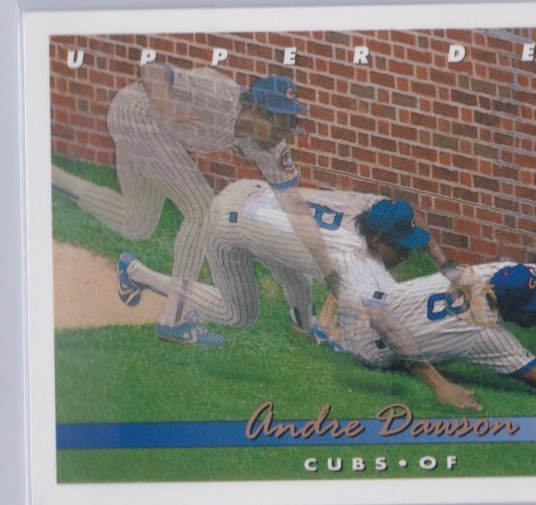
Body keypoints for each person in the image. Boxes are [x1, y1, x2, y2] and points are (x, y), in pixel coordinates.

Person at [52, 64, 336, 346]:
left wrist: (329, 272)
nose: (281, 134)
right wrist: (168, 107)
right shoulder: (219, 94)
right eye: (278, 124)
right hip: (136, 112)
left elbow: (296, 210)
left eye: (288, 125)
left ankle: (53, 178)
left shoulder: (268, 145)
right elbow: (153, 70)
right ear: (255, 110)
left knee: (135, 222)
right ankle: (173, 320)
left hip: (153, 129)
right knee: (202, 209)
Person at [116, 185, 436, 348]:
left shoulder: (367, 208)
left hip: (254, 197)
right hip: (233, 223)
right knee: (238, 314)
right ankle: (137, 273)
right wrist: (334, 331)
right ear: (377, 238)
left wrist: (444, 264)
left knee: (299, 281)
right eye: (399, 247)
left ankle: (303, 326)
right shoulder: (349, 253)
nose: (405, 255)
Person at [326, 261, 536, 410]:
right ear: (514, 309)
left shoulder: (497, 274)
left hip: (366, 299)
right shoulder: (487, 336)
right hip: (369, 346)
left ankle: (329, 314)